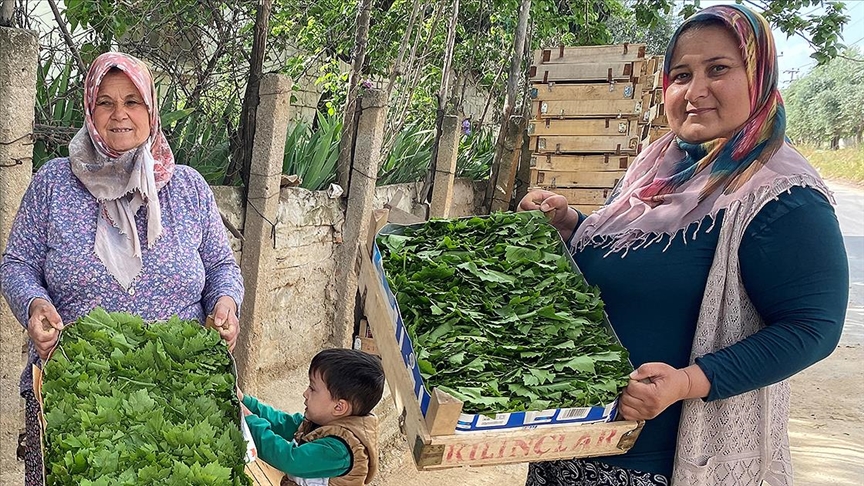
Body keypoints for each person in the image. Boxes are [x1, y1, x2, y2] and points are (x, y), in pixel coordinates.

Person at [519, 5, 848, 486]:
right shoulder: (658, 169)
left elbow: (813, 328)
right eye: (680, 75)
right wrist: (572, 224)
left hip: (663, 466)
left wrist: (687, 383)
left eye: (719, 69)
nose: (695, 92)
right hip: (571, 446)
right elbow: (649, 259)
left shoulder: (781, 196)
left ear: (759, 77)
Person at [0, 52, 244, 485]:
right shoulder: (54, 183)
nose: (120, 115)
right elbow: (17, 263)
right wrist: (34, 304)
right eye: (106, 102)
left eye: (133, 101)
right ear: (90, 110)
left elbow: (222, 265)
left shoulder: (187, 189)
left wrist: (226, 304)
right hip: (76, 385)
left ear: (151, 111)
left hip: (182, 386)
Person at [239, 348, 385, 486]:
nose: (305, 393)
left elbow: (289, 459)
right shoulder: (323, 422)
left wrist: (251, 422)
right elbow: (284, 423)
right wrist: (246, 401)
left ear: (339, 407)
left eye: (313, 388)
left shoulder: (339, 450)